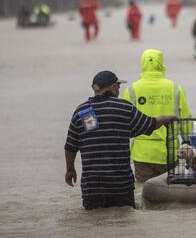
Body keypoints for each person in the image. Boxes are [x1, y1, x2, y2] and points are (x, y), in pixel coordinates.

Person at [64, 70, 180, 210]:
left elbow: (70, 146)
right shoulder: (124, 108)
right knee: (124, 222)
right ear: (112, 87)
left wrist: (70, 170)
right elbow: (150, 124)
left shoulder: (82, 112)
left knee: (94, 224)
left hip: (93, 187)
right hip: (120, 185)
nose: (119, 89)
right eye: (118, 86)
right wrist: (168, 117)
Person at [122, 49, 192, 182]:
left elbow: (124, 123)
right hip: (170, 152)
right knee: (171, 191)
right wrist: (187, 141)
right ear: (161, 63)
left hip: (143, 154)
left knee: (144, 191)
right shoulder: (175, 88)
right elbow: (186, 119)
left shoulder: (131, 90)